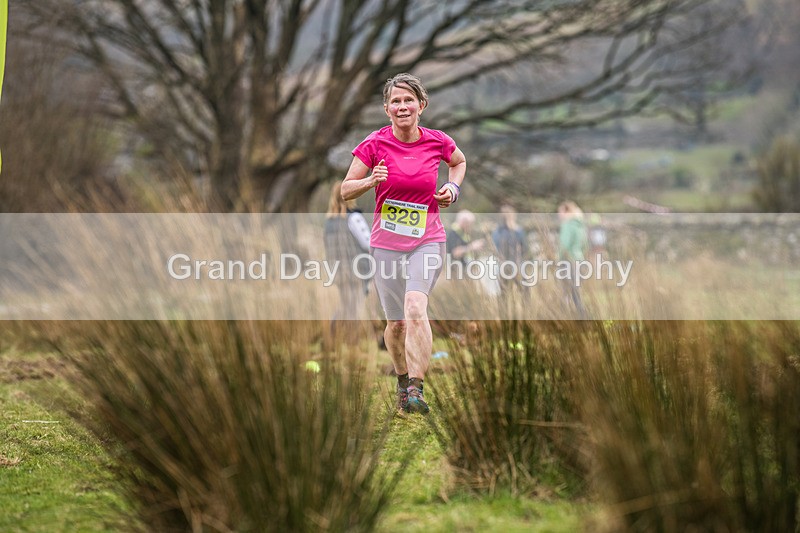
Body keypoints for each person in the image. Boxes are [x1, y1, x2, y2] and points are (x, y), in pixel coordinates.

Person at [340, 73, 466, 415]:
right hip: (386, 245)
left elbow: (458, 162)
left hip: (428, 239)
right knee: (395, 323)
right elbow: (344, 189)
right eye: (395, 101)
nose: (402, 106)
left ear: (421, 106)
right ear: (386, 109)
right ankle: (401, 380)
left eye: (408, 100)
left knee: (414, 307)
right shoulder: (375, 144)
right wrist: (370, 180)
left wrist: (452, 189)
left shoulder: (437, 141)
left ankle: (416, 388)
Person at [323, 181, 371, 345]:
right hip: (356, 270)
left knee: (346, 304)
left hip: (337, 272)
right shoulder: (354, 218)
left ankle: (331, 337)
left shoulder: (329, 222)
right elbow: (368, 243)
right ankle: (352, 342)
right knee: (354, 306)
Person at [558, 200, 589, 318]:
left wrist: (558, 259)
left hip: (568, 261)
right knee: (576, 291)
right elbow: (585, 245)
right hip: (580, 261)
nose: (559, 215)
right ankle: (580, 314)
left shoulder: (567, 224)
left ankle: (570, 316)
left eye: (560, 212)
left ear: (566, 211)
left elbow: (564, 245)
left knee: (566, 291)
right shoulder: (580, 225)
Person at [491, 204, 528, 291]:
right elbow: (525, 248)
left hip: (503, 266)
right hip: (517, 266)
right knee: (524, 293)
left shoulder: (497, 232)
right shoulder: (518, 231)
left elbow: (495, 247)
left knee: (505, 294)